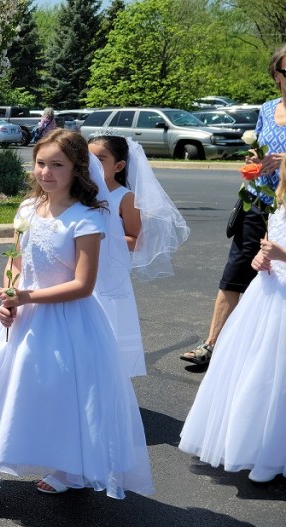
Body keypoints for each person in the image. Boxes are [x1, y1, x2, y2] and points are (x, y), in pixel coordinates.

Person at [0, 129, 154, 499]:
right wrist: (10, 297)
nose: (46, 172)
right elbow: (15, 261)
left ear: (77, 169)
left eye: (57, 165)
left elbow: (83, 284)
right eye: (41, 163)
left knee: (57, 398)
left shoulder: (86, 218)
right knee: (7, 391)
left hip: (66, 319)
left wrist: (27, 296)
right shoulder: (27, 209)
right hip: (23, 313)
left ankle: (65, 467)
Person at [179, 156, 286, 483]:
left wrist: (280, 255)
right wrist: (262, 258)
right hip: (268, 294)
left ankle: (272, 452)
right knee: (258, 372)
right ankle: (254, 444)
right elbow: (272, 241)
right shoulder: (279, 200)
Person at [181, 44, 286, 366]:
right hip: (258, 201)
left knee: (277, 276)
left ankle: (268, 353)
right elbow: (257, 147)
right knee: (236, 271)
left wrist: (284, 159)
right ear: (276, 75)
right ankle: (212, 345)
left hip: (285, 209)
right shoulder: (267, 109)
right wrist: (254, 159)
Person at [88, 134, 191, 376]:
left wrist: (100, 239)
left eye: (100, 159)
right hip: (81, 266)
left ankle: (109, 375)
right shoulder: (81, 193)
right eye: (87, 158)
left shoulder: (125, 197)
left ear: (118, 166)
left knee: (108, 325)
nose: (91, 164)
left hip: (109, 272)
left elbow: (136, 240)